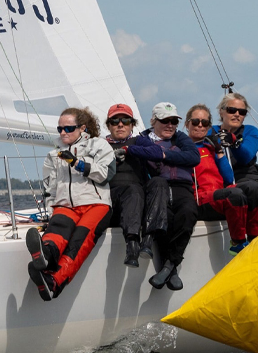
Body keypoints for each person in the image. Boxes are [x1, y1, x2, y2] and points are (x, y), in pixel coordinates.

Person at [26, 107, 116, 301]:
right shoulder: (54, 155)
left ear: (82, 128)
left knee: (78, 242)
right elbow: (49, 187)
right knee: (57, 229)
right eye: (60, 129)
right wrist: (50, 211)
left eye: (68, 128)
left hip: (95, 204)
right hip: (65, 205)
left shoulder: (99, 145)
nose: (63, 133)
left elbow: (106, 174)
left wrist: (78, 163)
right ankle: (46, 256)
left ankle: (54, 283)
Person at [130, 102, 199, 291]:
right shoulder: (142, 139)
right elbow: (136, 153)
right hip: (157, 188)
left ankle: (169, 266)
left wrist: (162, 154)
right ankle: (170, 270)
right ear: (153, 121)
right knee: (165, 219)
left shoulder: (181, 138)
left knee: (188, 213)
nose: (170, 125)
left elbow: (193, 158)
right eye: (165, 121)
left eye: (174, 121)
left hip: (181, 187)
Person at [185, 104, 258, 256]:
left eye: (205, 123)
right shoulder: (182, 147)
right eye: (195, 122)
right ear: (187, 123)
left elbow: (228, 178)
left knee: (254, 187)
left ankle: (255, 238)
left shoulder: (211, 147)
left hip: (219, 196)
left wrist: (219, 150)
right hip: (201, 199)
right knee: (234, 195)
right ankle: (237, 243)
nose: (200, 125)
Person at [211, 92, 258, 224]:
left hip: (247, 178)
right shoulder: (209, 131)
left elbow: (246, 157)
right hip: (218, 181)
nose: (237, 114)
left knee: (253, 188)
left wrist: (234, 142)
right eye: (231, 110)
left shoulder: (251, 132)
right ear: (221, 112)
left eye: (242, 112)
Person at [104, 103, 149, 267]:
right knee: (131, 191)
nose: (120, 124)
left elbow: (158, 153)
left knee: (134, 190)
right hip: (109, 203)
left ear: (132, 124)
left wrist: (129, 150)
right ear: (108, 125)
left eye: (125, 120)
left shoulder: (140, 142)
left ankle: (132, 245)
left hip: (134, 202)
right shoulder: (99, 146)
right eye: (115, 121)